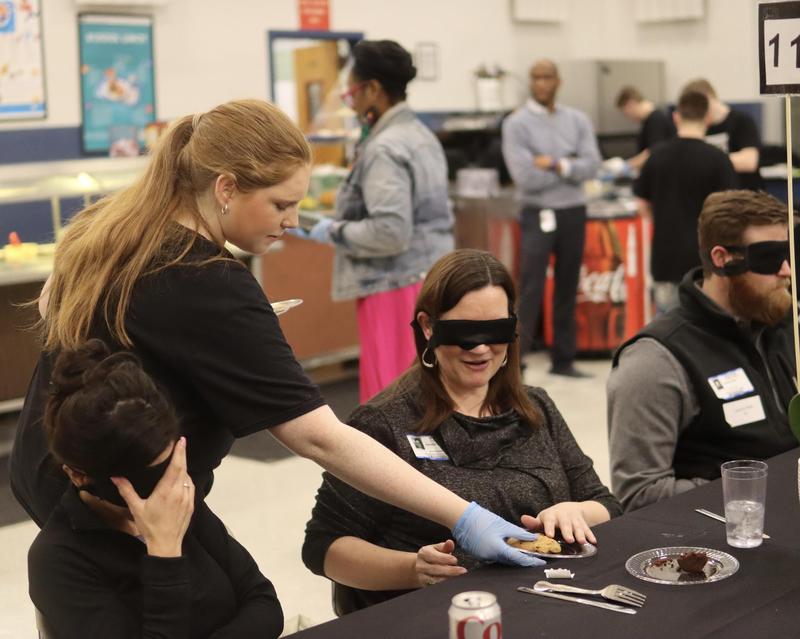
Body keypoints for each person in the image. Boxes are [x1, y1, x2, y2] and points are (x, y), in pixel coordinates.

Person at [10, 99, 541, 570]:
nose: (293, 220)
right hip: (121, 503)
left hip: (51, 470)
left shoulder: (114, 230)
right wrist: (465, 516)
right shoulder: (208, 280)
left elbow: (57, 303)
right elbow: (319, 437)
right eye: (281, 204)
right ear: (225, 188)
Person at [303, 249, 621, 614]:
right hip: (434, 618)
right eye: (465, 333)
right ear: (428, 326)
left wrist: (574, 511)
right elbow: (323, 547)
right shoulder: (384, 423)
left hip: (546, 606)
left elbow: (607, 503)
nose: (481, 348)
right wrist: (412, 569)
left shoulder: (535, 408)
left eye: (496, 331)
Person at [28, 340, 283, 638]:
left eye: (170, 461)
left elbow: (264, 605)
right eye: (148, 477)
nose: (169, 486)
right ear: (78, 475)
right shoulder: (58, 560)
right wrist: (164, 554)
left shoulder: (178, 499)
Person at [608, 190, 797, 512]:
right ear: (722, 259)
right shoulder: (655, 360)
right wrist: (756, 486)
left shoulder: (778, 325)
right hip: (721, 543)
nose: (786, 271)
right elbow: (638, 496)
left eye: (789, 253)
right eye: (768, 257)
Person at [301, 40, 453, 403]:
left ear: (372, 89)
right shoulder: (421, 135)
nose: (348, 99)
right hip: (427, 278)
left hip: (393, 285)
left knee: (393, 403)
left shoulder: (385, 148)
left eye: (352, 89)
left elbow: (389, 231)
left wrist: (332, 231)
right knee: (426, 394)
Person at [501, 59, 602, 377]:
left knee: (568, 285)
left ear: (558, 81)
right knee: (530, 287)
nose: (542, 83)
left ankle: (564, 360)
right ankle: (516, 362)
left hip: (573, 211)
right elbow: (525, 177)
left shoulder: (577, 120)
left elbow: (592, 165)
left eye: (548, 77)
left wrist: (555, 164)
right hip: (537, 213)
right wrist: (570, 165)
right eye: (536, 77)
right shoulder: (516, 124)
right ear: (531, 82)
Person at [634, 88, 738, 313]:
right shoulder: (719, 160)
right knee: (705, 333)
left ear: (676, 117)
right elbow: (729, 211)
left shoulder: (656, 156)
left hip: (665, 258)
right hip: (706, 262)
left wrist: (661, 221)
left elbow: (641, 204)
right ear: (708, 118)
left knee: (668, 332)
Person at [683, 78, 764, 192]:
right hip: (714, 197)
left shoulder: (742, 121)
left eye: (698, 105)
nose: (697, 111)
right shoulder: (699, 126)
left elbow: (749, 161)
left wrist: (706, 161)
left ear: (709, 98)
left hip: (744, 195)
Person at [615, 85, 676, 171]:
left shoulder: (656, 120)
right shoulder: (649, 120)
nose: (628, 118)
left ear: (631, 104)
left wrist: (626, 166)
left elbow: (653, 152)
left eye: (626, 114)